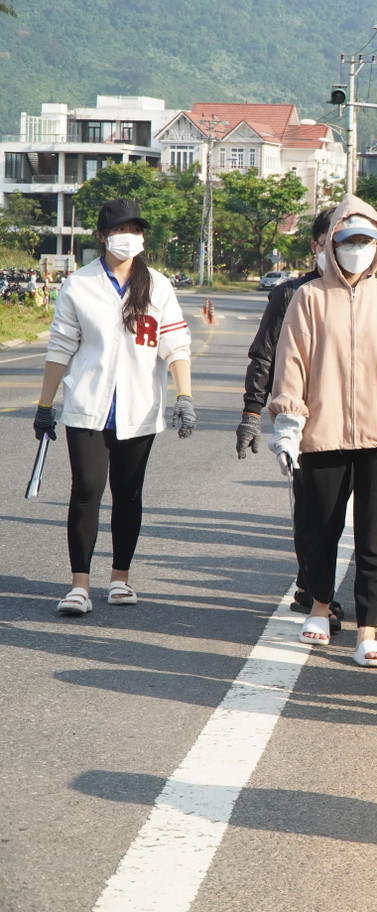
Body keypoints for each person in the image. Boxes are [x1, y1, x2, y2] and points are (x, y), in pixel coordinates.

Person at [268, 195, 377, 668]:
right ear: (331, 245)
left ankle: (368, 631)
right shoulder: (309, 298)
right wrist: (288, 424)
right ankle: (320, 607)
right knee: (319, 528)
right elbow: (292, 363)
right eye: (348, 240)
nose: (357, 248)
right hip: (323, 434)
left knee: (374, 537)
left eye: (366, 240)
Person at [32, 197, 195, 616]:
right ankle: (79, 586)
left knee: (128, 493)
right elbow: (60, 347)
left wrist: (185, 397)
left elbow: (175, 345)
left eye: (136, 230)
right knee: (87, 489)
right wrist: (45, 404)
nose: (129, 237)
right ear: (103, 236)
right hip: (88, 406)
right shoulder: (79, 284)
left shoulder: (157, 285)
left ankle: (120, 578)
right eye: (121, 230)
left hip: (139, 409)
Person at [234, 208, 341, 626]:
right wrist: (252, 412)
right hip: (302, 420)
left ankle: (318, 586)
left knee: (342, 515)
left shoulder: (371, 296)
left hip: (355, 422)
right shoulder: (290, 293)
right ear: (316, 246)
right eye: (333, 242)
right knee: (311, 510)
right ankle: (313, 590)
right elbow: (264, 354)